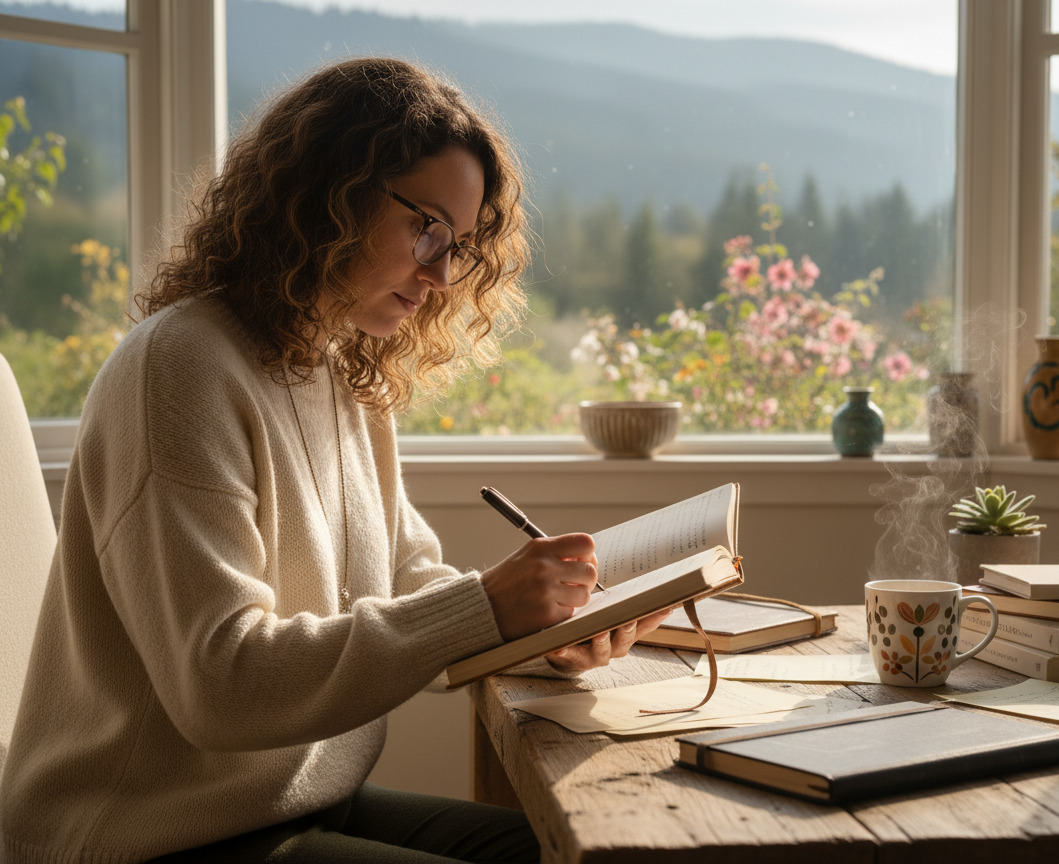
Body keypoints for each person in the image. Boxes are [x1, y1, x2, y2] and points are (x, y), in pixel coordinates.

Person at [0, 57, 670, 863]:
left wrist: (541, 627)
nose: (440, 274)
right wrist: (485, 609)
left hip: (295, 800)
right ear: (327, 194)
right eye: (426, 227)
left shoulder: (339, 369)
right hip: (142, 836)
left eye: (460, 246)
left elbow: (407, 577)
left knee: (589, 849)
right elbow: (220, 686)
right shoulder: (178, 368)